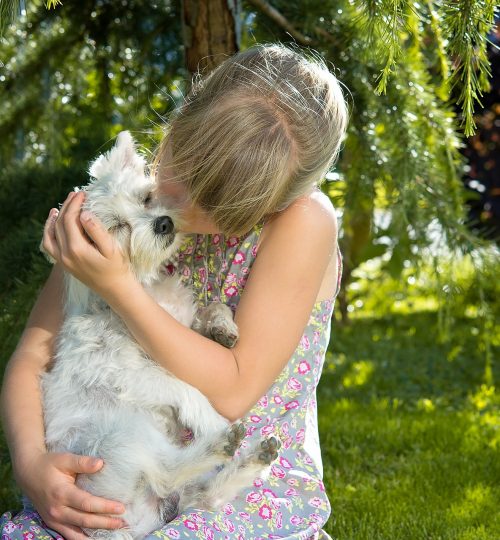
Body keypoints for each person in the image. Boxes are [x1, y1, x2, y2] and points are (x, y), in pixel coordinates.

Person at [0, 42, 349, 540]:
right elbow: (36, 351)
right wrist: (32, 463)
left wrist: (118, 287)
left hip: (240, 490)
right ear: (186, 115)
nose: (171, 201)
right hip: (118, 475)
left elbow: (231, 388)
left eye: (213, 203)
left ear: (268, 206)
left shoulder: (303, 224)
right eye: (178, 164)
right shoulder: (128, 197)